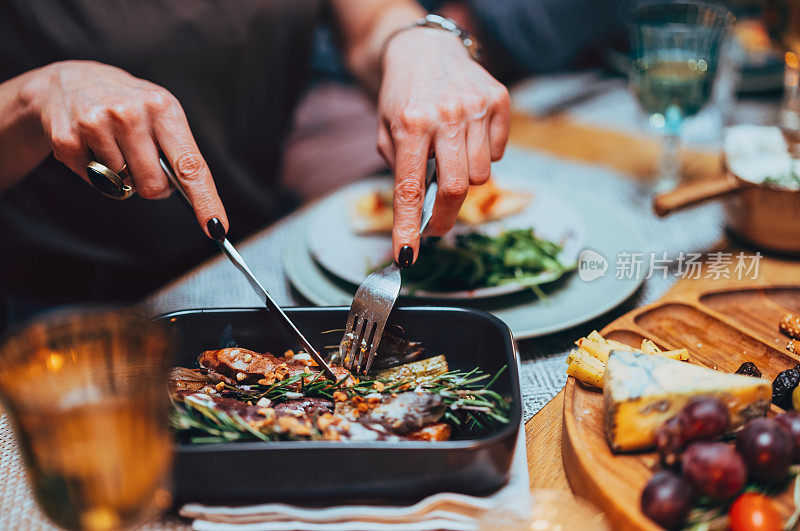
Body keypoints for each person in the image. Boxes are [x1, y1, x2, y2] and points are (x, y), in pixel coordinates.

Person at [0, 0, 510, 326]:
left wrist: (418, 40)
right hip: (58, 298)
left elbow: (370, 19)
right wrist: (36, 94)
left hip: (253, 249)